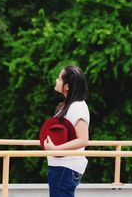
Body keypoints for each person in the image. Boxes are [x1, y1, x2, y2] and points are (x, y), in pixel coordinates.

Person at [44, 65, 90, 197]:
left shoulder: (77, 106)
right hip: (62, 166)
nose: (56, 80)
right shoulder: (70, 105)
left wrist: (54, 149)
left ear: (67, 86)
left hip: (65, 167)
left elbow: (83, 139)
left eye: (59, 78)